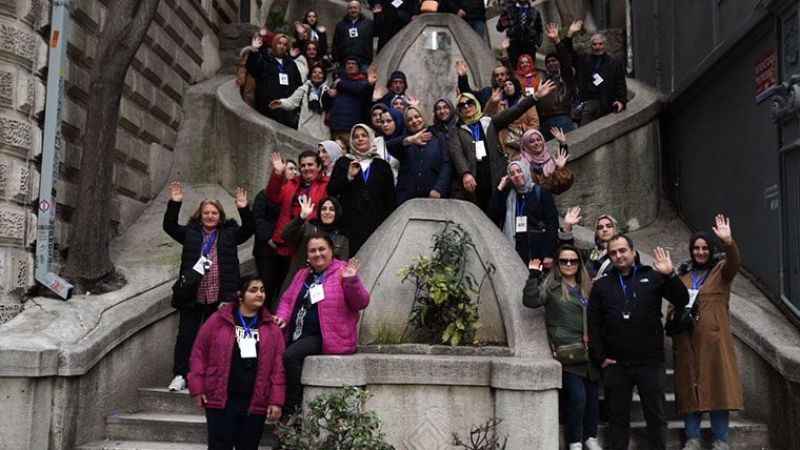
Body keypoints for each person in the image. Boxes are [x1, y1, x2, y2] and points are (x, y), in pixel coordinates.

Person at [588, 235, 690, 450]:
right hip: (616, 365)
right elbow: (594, 324)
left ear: (633, 252)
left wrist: (670, 274)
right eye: (613, 252)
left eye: (622, 250)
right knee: (617, 420)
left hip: (650, 363)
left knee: (656, 417)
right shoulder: (601, 285)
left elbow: (681, 300)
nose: (618, 255)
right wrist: (600, 357)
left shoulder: (653, 276)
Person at [163, 181, 254, 392]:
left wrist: (243, 209)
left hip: (221, 295)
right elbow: (169, 227)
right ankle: (181, 374)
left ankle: (215, 377)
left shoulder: (229, 233)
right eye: (206, 212)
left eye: (214, 213)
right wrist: (175, 204)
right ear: (200, 215)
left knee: (220, 338)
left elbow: (249, 229)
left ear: (220, 216)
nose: (210, 216)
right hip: (193, 294)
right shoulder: (191, 233)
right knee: (187, 336)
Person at [274, 235, 370, 415]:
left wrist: (351, 280)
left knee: (290, 356)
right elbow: (287, 300)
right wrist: (282, 317)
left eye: (321, 249)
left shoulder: (343, 271)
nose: (317, 254)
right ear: (307, 255)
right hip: (297, 333)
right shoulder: (303, 274)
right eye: (313, 250)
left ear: (331, 251)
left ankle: (292, 410)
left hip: (326, 337)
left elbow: (361, 302)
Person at [188, 276, 285, 450]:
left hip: (254, 400)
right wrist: (197, 387)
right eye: (253, 290)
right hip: (221, 397)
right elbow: (199, 353)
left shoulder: (272, 328)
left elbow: (278, 368)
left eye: (262, 290)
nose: (259, 294)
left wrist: (276, 400)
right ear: (240, 295)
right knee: (219, 445)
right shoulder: (218, 321)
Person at [671, 215, 743, 450]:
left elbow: (734, 262)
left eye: (704, 248)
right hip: (687, 341)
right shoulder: (682, 275)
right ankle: (692, 437)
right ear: (691, 251)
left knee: (718, 389)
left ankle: (720, 439)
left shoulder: (721, 272)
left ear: (711, 250)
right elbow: (672, 306)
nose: (700, 252)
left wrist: (728, 241)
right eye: (696, 248)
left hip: (714, 342)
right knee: (689, 388)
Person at [523, 246, 601, 450]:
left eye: (573, 261)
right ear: (557, 264)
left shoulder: (588, 288)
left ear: (579, 264)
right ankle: (575, 440)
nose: (568, 265)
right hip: (568, 353)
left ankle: (590, 437)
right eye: (564, 261)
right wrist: (533, 276)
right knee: (577, 398)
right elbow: (530, 301)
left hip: (591, 352)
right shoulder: (551, 287)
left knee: (592, 400)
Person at [448, 80, 556, 211]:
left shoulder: (489, 121)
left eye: (469, 103)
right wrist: (465, 173)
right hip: (474, 179)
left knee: (500, 210)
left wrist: (535, 97)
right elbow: (456, 153)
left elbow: (514, 111)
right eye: (461, 105)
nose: (466, 107)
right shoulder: (457, 129)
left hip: (496, 175)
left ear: (475, 104)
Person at [265, 151, 329, 294]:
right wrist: (277, 174)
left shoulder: (326, 185)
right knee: (275, 287)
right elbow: (273, 196)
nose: (306, 168)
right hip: (284, 242)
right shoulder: (292, 183)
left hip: (306, 244)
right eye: (303, 165)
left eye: (310, 164)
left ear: (319, 167)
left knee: (295, 288)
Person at [328, 124, 397, 254]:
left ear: (371, 139)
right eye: (356, 136)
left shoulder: (382, 165)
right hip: (347, 225)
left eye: (364, 135)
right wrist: (348, 177)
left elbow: (390, 199)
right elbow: (331, 190)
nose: (360, 139)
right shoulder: (343, 162)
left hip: (374, 225)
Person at [489, 160, 559, 265]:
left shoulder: (540, 192)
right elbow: (492, 215)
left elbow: (552, 223)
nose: (517, 175)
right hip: (515, 250)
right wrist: (500, 187)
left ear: (526, 171)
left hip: (537, 251)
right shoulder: (509, 196)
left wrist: (548, 253)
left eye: (519, 171)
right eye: (512, 174)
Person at [281, 196, 350, 293]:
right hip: (296, 282)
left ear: (337, 213)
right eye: (324, 209)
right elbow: (285, 236)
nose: (327, 212)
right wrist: (301, 218)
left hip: (322, 288)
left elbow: (342, 267)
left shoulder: (342, 238)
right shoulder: (308, 227)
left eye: (331, 209)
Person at [386, 105, 452, 204]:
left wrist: (439, 188)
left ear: (423, 117)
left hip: (433, 196)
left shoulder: (438, 137)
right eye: (410, 119)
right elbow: (389, 146)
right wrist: (411, 140)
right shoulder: (405, 140)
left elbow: (447, 164)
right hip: (407, 198)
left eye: (417, 116)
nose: (414, 121)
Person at [565, 25, 627, 125]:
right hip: (588, 103)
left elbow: (620, 83)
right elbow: (568, 53)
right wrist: (570, 34)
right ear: (591, 46)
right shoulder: (584, 60)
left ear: (605, 45)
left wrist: (621, 101)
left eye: (600, 44)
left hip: (607, 104)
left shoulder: (614, 62)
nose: (598, 47)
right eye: (594, 44)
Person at [247, 33, 303, 128]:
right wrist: (254, 51)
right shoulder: (264, 59)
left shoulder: (291, 63)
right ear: (274, 44)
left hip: (286, 111)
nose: (282, 46)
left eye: (285, 44)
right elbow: (253, 69)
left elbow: (298, 84)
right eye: (279, 43)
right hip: (268, 108)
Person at [270, 63, 331, 141]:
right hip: (305, 129)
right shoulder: (304, 89)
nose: (317, 75)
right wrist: (281, 103)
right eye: (314, 72)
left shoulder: (328, 91)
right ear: (310, 75)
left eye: (320, 73)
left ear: (324, 76)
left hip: (322, 132)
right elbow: (292, 102)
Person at [323, 60, 378, 147]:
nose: (350, 66)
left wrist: (340, 84)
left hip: (351, 128)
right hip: (335, 126)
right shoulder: (338, 80)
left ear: (358, 67)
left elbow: (358, 89)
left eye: (353, 64)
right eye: (348, 63)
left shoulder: (362, 82)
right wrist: (329, 94)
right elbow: (325, 103)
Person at [539, 21, 579, 139]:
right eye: (548, 62)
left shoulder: (566, 76)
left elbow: (566, 60)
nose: (551, 63)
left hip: (562, 118)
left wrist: (557, 41)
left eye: (554, 61)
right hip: (544, 122)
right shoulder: (543, 80)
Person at [484, 78, 540, 158]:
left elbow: (535, 123)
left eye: (510, 84)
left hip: (524, 141)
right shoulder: (500, 103)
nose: (507, 87)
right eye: (505, 86)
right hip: (506, 143)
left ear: (516, 86)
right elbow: (487, 116)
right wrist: (492, 102)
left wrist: (526, 132)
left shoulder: (526, 101)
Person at [559, 207, 620, 279]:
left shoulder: (621, 252)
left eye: (609, 226)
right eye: (600, 227)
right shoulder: (590, 253)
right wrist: (567, 226)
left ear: (615, 229)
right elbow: (568, 250)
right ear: (596, 232)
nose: (604, 229)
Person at [518, 128, 574, 194]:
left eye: (538, 140)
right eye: (531, 141)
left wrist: (562, 143)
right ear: (526, 145)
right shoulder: (522, 164)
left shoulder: (551, 159)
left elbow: (560, 186)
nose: (536, 143)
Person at [497, 0, 544, 68]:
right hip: (514, 46)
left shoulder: (535, 11)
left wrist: (538, 43)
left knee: (529, 68)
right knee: (515, 68)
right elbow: (499, 28)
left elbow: (539, 29)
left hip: (529, 45)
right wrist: (502, 24)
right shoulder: (509, 10)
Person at [332, 1, 375, 67]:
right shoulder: (340, 25)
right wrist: (335, 59)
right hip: (345, 62)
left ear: (360, 9)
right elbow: (335, 43)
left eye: (355, 8)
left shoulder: (368, 24)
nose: (353, 10)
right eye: (350, 8)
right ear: (347, 10)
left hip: (363, 62)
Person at [375, 107, 404, 183]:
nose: (385, 125)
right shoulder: (377, 141)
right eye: (382, 122)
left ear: (397, 121)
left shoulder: (406, 141)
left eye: (389, 121)